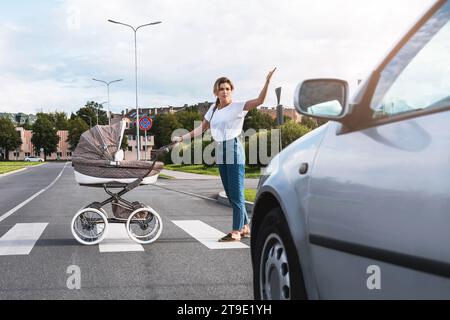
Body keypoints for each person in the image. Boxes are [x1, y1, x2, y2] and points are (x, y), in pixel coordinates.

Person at [172, 68, 277, 242]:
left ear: (231, 91)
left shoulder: (238, 107)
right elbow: (201, 128)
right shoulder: (213, 109)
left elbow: (260, 100)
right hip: (220, 149)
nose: (225, 91)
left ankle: (236, 231)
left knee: (236, 193)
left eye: (228, 88)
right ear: (216, 91)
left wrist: (267, 82)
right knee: (230, 193)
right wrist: (181, 138)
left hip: (234, 148)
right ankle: (245, 227)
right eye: (221, 89)